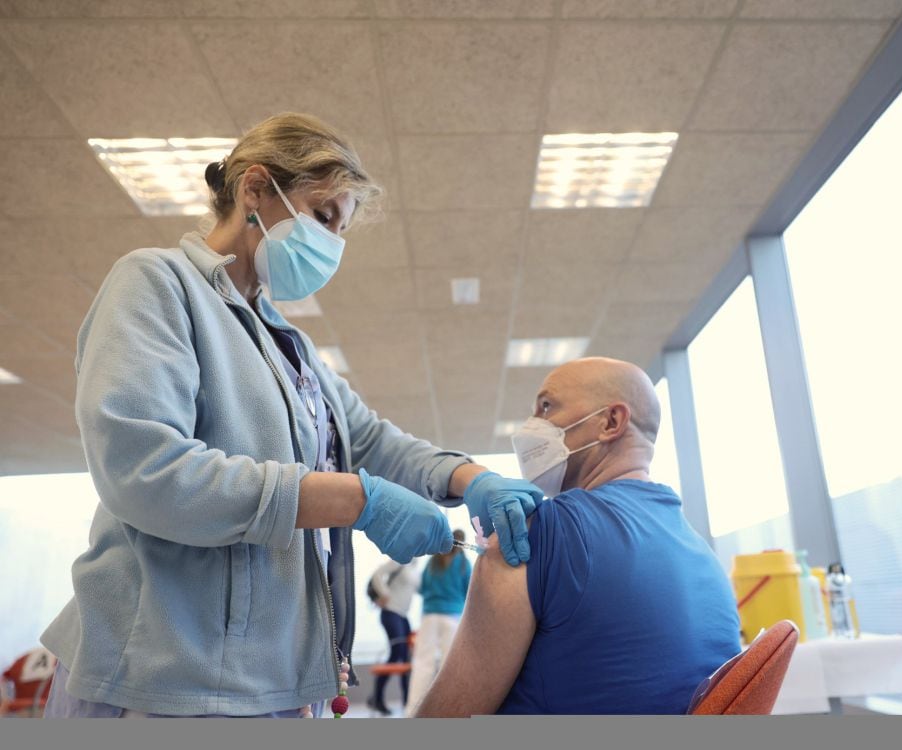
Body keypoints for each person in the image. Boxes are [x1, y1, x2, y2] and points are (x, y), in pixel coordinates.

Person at [39, 112, 542, 718]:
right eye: (323, 215)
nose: (332, 241)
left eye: (342, 228)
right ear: (254, 189)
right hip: (159, 674)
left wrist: (469, 478)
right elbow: (144, 470)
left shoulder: (289, 344)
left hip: (265, 677)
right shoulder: (157, 283)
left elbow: (370, 439)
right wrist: (357, 499)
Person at [415, 357, 743, 716]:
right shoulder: (706, 558)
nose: (529, 429)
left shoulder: (535, 533)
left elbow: (446, 716)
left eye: (546, 406)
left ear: (610, 422)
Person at [403, 529, 473, 716]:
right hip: (452, 617)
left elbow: (423, 586)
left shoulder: (433, 561)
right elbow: (470, 593)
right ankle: (446, 713)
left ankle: (412, 712)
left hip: (429, 616)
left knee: (422, 664)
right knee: (447, 667)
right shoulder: (464, 564)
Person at [366, 558, 421, 715]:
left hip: (403, 615)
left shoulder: (415, 565)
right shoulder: (401, 559)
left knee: (405, 657)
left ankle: (407, 702)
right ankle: (377, 698)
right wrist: (384, 594)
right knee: (397, 653)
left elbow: (420, 589)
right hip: (390, 612)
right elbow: (378, 574)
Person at [1, 647, 56, 717]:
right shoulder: (61, 660)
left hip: (37, 706)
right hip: (49, 707)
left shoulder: (24, 659)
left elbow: (4, 676)